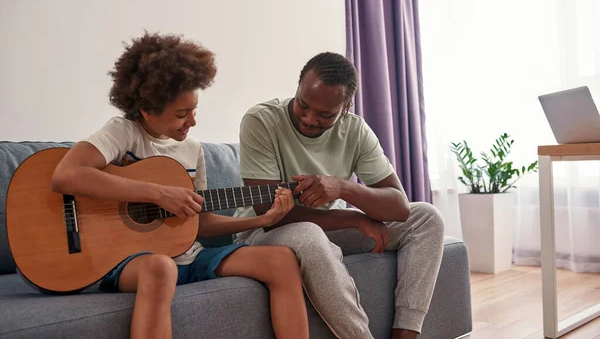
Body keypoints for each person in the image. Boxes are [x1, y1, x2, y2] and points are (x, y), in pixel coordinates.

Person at [51, 32, 309, 339]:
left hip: (189, 255)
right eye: (181, 114)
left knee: (281, 259)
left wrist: (263, 220)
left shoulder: (192, 150)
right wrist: (158, 193)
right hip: (127, 261)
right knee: (161, 269)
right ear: (147, 110)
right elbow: (65, 175)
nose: (192, 122)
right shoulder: (123, 132)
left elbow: (199, 222)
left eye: (194, 111)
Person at [233, 52, 445, 339]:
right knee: (308, 234)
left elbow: (400, 207)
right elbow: (268, 213)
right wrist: (354, 219)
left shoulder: (355, 131)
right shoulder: (261, 120)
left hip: (325, 230)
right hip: (263, 233)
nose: (309, 119)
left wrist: (343, 188)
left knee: (427, 218)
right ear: (297, 88)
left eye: (325, 115)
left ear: (345, 108)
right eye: (303, 105)